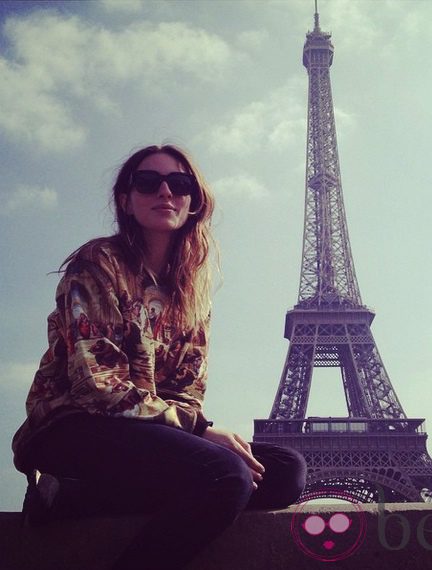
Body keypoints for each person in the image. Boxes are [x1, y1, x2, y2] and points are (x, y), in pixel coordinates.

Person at [11, 144, 307, 569]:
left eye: (179, 183)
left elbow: (187, 390)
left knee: (284, 471)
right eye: (148, 182)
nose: (165, 192)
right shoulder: (99, 264)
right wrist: (200, 430)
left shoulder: (191, 295)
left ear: (193, 202)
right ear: (125, 201)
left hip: (144, 434)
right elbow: (99, 387)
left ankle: (73, 497)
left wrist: (193, 427)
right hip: (71, 426)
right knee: (226, 474)